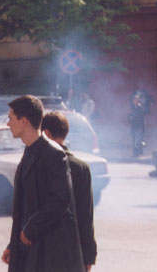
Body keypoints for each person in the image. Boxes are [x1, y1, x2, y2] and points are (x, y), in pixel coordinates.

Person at [1, 95, 85, 272]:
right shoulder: (29, 152)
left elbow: (61, 200)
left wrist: (31, 228)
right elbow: (24, 207)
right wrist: (13, 244)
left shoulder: (54, 154)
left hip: (48, 253)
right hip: (28, 248)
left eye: (11, 118)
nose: (8, 124)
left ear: (24, 121)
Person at [42, 112, 97, 271]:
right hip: (73, 249)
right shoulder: (80, 167)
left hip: (43, 249)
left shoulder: (39, 164)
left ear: (46, 134)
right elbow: (86, 215)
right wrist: (88, 255)